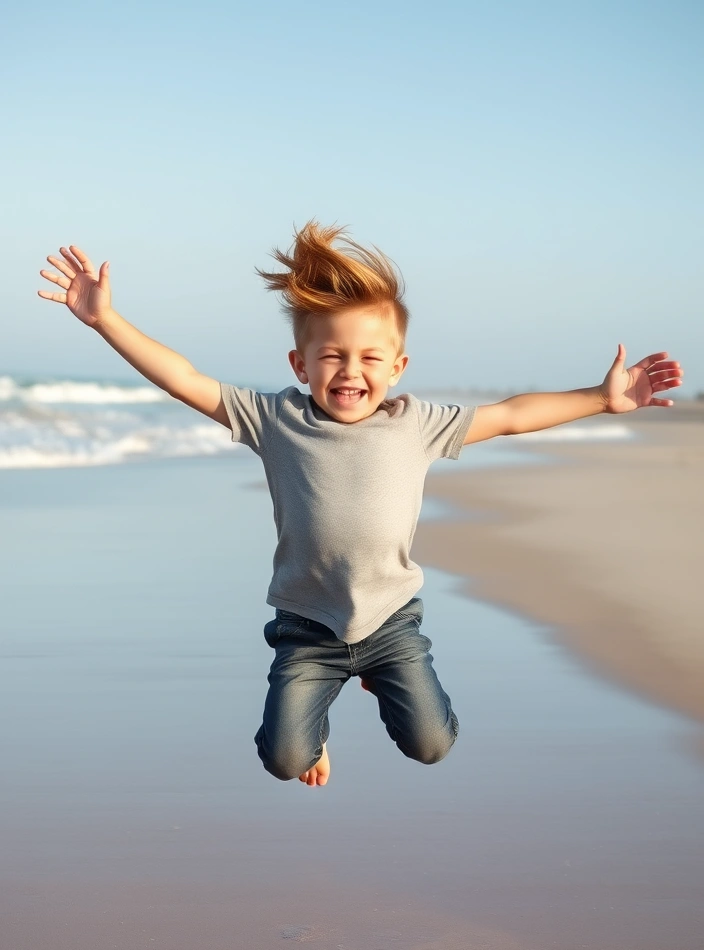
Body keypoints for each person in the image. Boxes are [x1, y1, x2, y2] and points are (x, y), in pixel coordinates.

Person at [38, 221, 683, 787]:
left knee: (431, 746)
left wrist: (600, 399)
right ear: (300, 363)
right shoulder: (273, 420)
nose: (351, 370)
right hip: (307, 628)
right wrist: (106, 322)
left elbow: (511, 416)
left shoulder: (417, 423)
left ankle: (382, 682)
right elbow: (185, 379)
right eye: (333, 356)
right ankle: (314, 731)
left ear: (397, 366)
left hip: (390, 624)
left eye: (370, 357)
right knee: (285, 760)